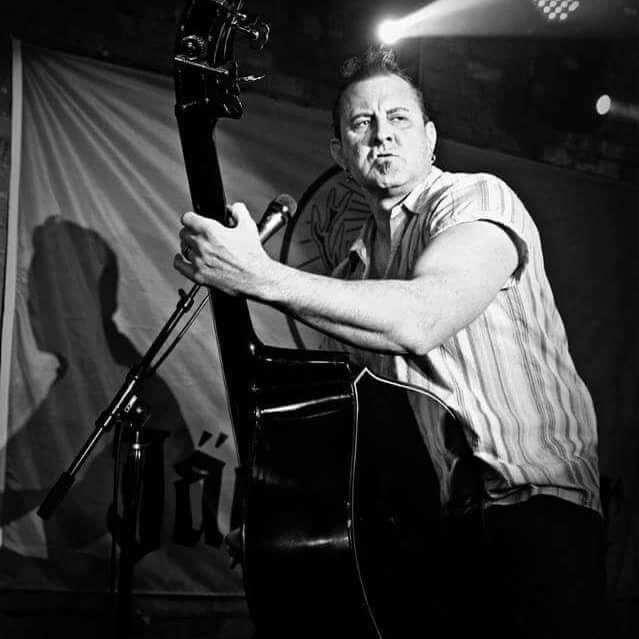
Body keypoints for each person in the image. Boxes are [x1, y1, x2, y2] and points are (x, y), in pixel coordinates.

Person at [174, 46, 606, 638]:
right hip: (441, 534)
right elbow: (366, 444)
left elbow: (423, 317)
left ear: (430, 138)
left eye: (399, 118)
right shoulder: (354, 276)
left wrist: (259, 276)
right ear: (339, 153)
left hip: (538, 511)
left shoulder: (475, 198)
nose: (382, 135)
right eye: (362, 123)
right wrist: (284, 524)